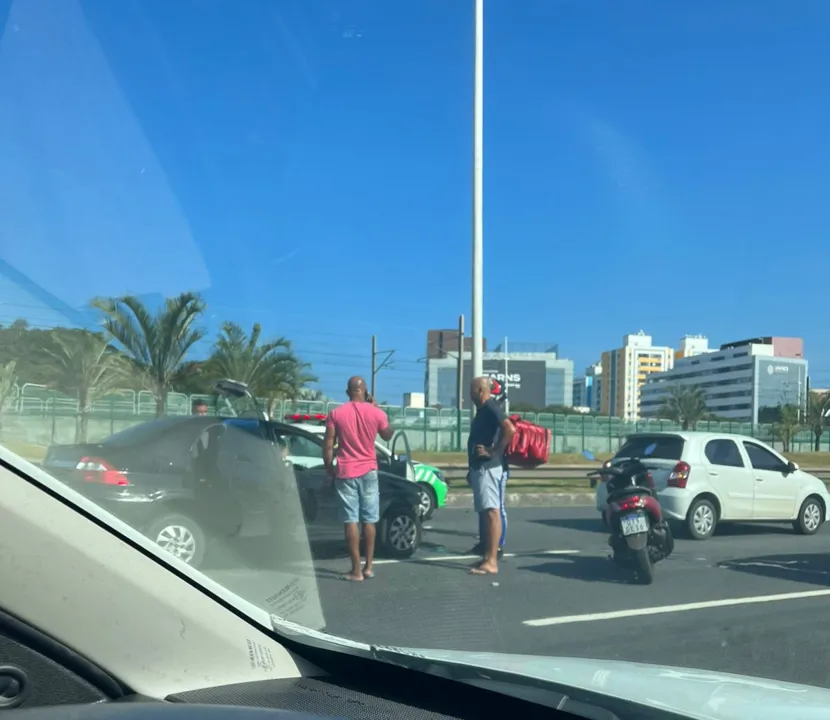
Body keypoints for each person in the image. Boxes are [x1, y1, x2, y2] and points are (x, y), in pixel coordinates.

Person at [323, 376, 394, 582]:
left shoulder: (336, 414)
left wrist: (329, 469)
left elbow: (328, 445)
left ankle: (356, 570)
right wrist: (379, 410)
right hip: (369, 471)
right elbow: (388, 435)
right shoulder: (376, 413)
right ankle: (369, 566)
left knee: (351, 520)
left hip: (346, 471)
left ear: (348, 392)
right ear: (365, 392)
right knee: (369, 519)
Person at [467, 376, 515, 576]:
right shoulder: (483, 411)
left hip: (489, 467)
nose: (469, 394)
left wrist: (493, 451)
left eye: (471, 389)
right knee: (486, 513)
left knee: (492, 512)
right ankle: (488, 556)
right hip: (480, 468)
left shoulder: (491, 407)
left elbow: (510, 429)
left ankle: (492, 561)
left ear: (480, 391)